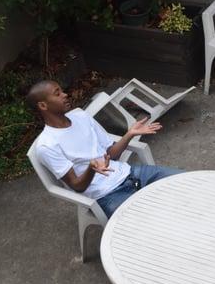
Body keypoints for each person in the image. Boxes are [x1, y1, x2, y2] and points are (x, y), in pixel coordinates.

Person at [27, 80, 182, 217]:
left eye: (62, 90)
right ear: (43, 105)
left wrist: (129, 135)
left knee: (185, 182)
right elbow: (77, 186)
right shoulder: (47, 145)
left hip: (131, 173)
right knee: (150, 225)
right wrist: (91, 168)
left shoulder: (81, 116)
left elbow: (111, 155)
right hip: (108, 195)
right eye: (57, 93)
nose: (65, 94)